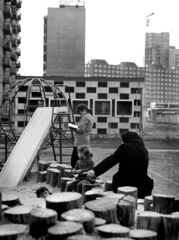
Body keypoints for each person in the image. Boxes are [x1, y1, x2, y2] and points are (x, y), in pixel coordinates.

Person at [87, 131, 154, 199]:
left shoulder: (125, 147)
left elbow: (110, 160)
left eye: (122, 140)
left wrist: (95, 171)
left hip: (124, 185)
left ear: (127, 139)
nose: (122, 142)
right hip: (143, 187)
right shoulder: (144, 150)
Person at [71, 103, 94, 168]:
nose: (79, 114)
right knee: (85, 159)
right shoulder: (90, 116)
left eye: (79, 112)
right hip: (86, 139)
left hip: (80, 141)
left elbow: (81, 130)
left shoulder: (85, 117)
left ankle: (74, 173)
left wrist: (73, 128)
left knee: (74, 160)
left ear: (84, 110)